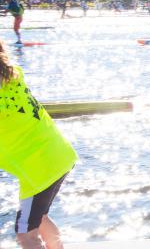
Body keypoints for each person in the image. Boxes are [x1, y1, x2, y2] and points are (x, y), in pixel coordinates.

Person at [0, 40, 78, 249]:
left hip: (40, 168)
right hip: (58, 154)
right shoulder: (13, 73)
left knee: (26, 235)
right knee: (39, 218)